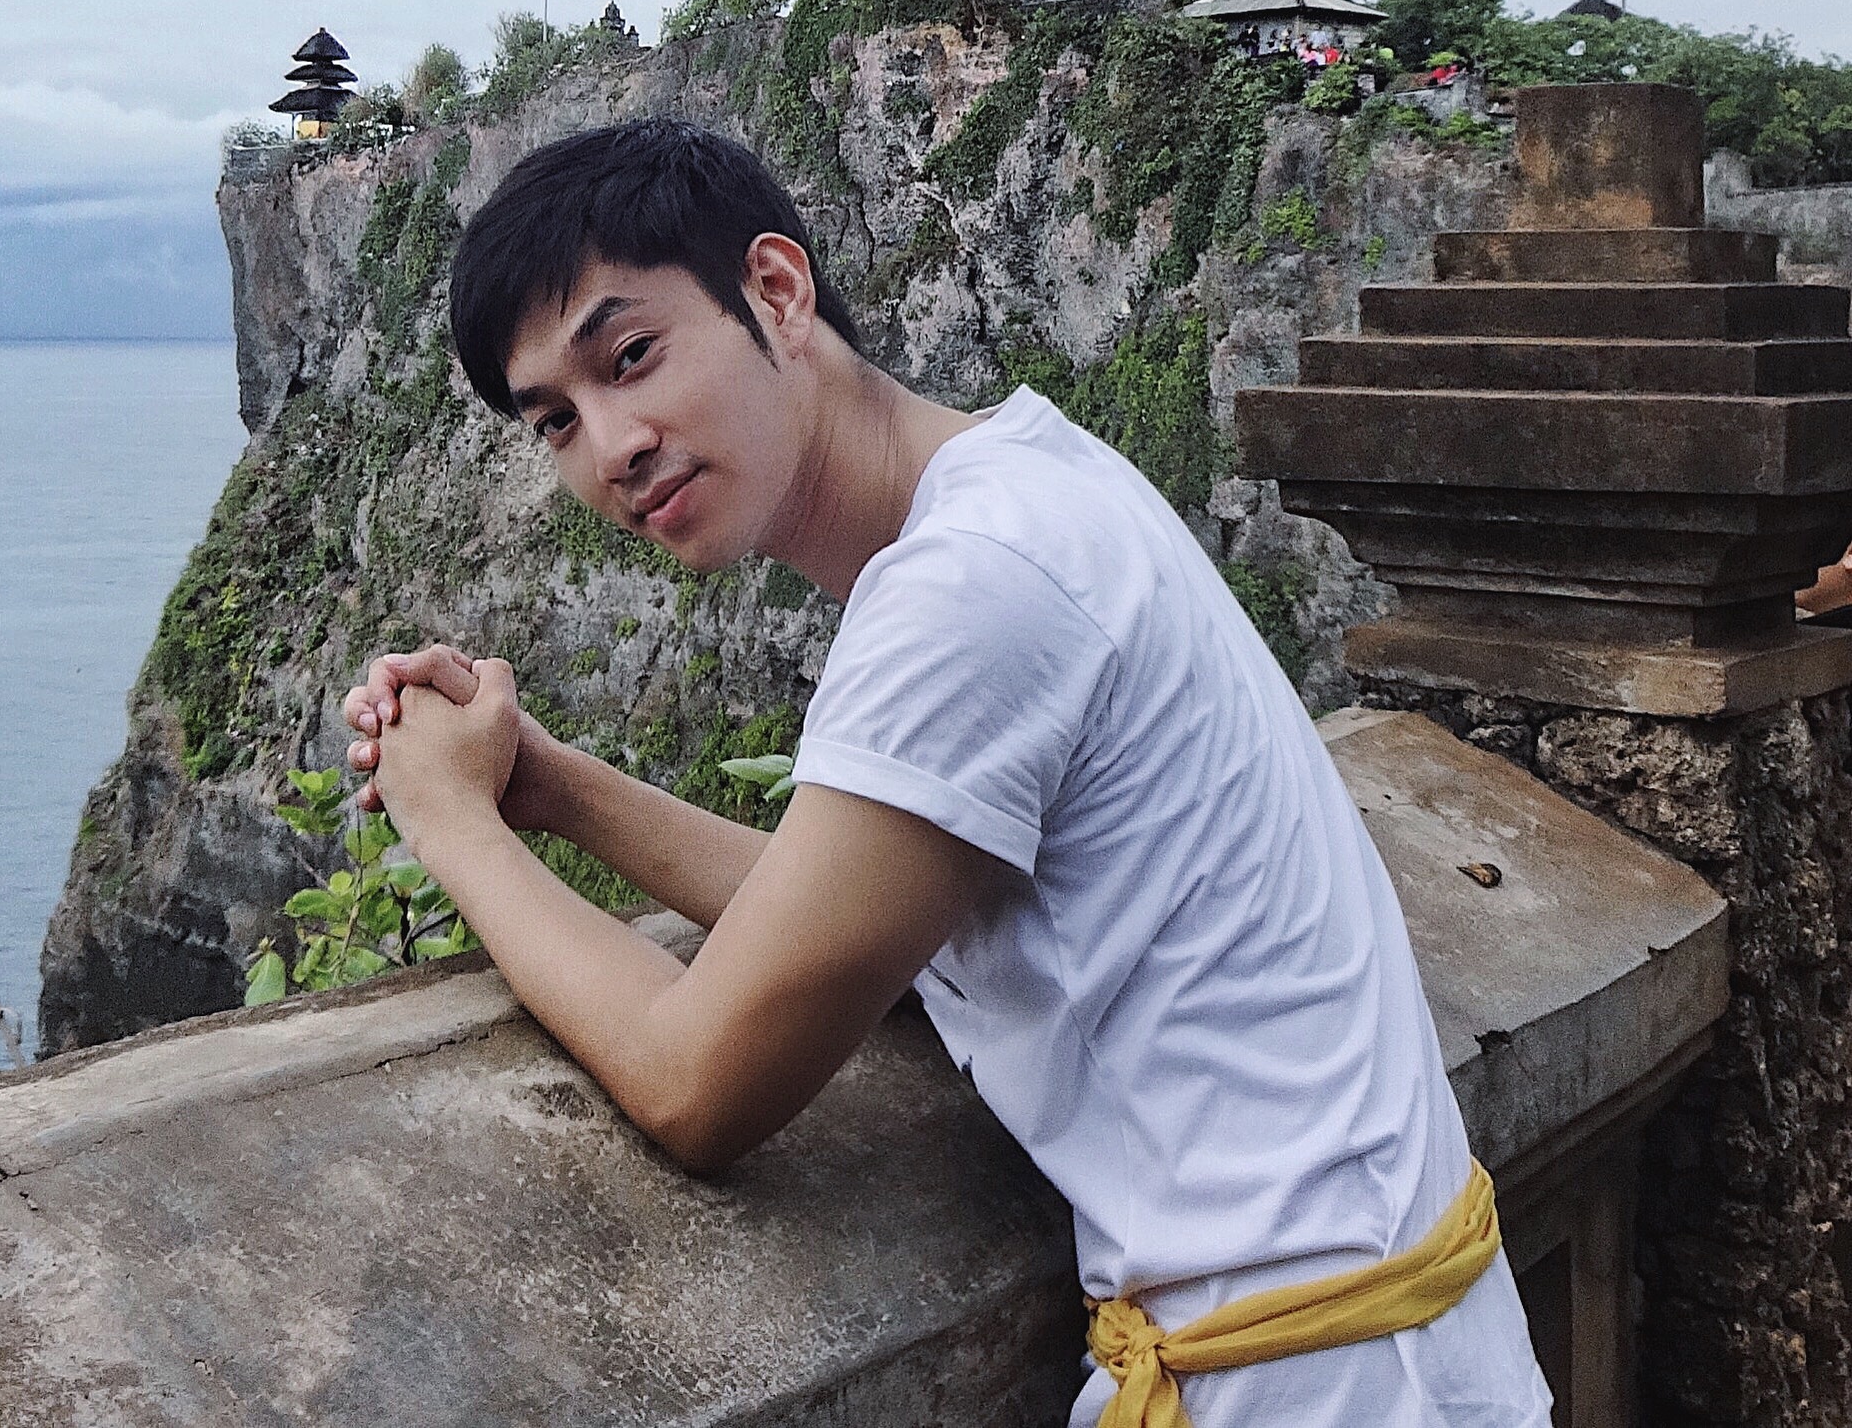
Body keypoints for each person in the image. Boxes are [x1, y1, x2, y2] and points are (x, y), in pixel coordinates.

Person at [340, 119, 1549, 1428]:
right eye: (555, 422)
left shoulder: (970, 585)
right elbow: (847, 916)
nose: (610, 445)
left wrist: (447, 819)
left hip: (1315, 1379)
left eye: (630, 355)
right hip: (1382, 1345)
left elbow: (696, 1080)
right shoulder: (1029, 479)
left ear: (775, 290)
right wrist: (547, 787)